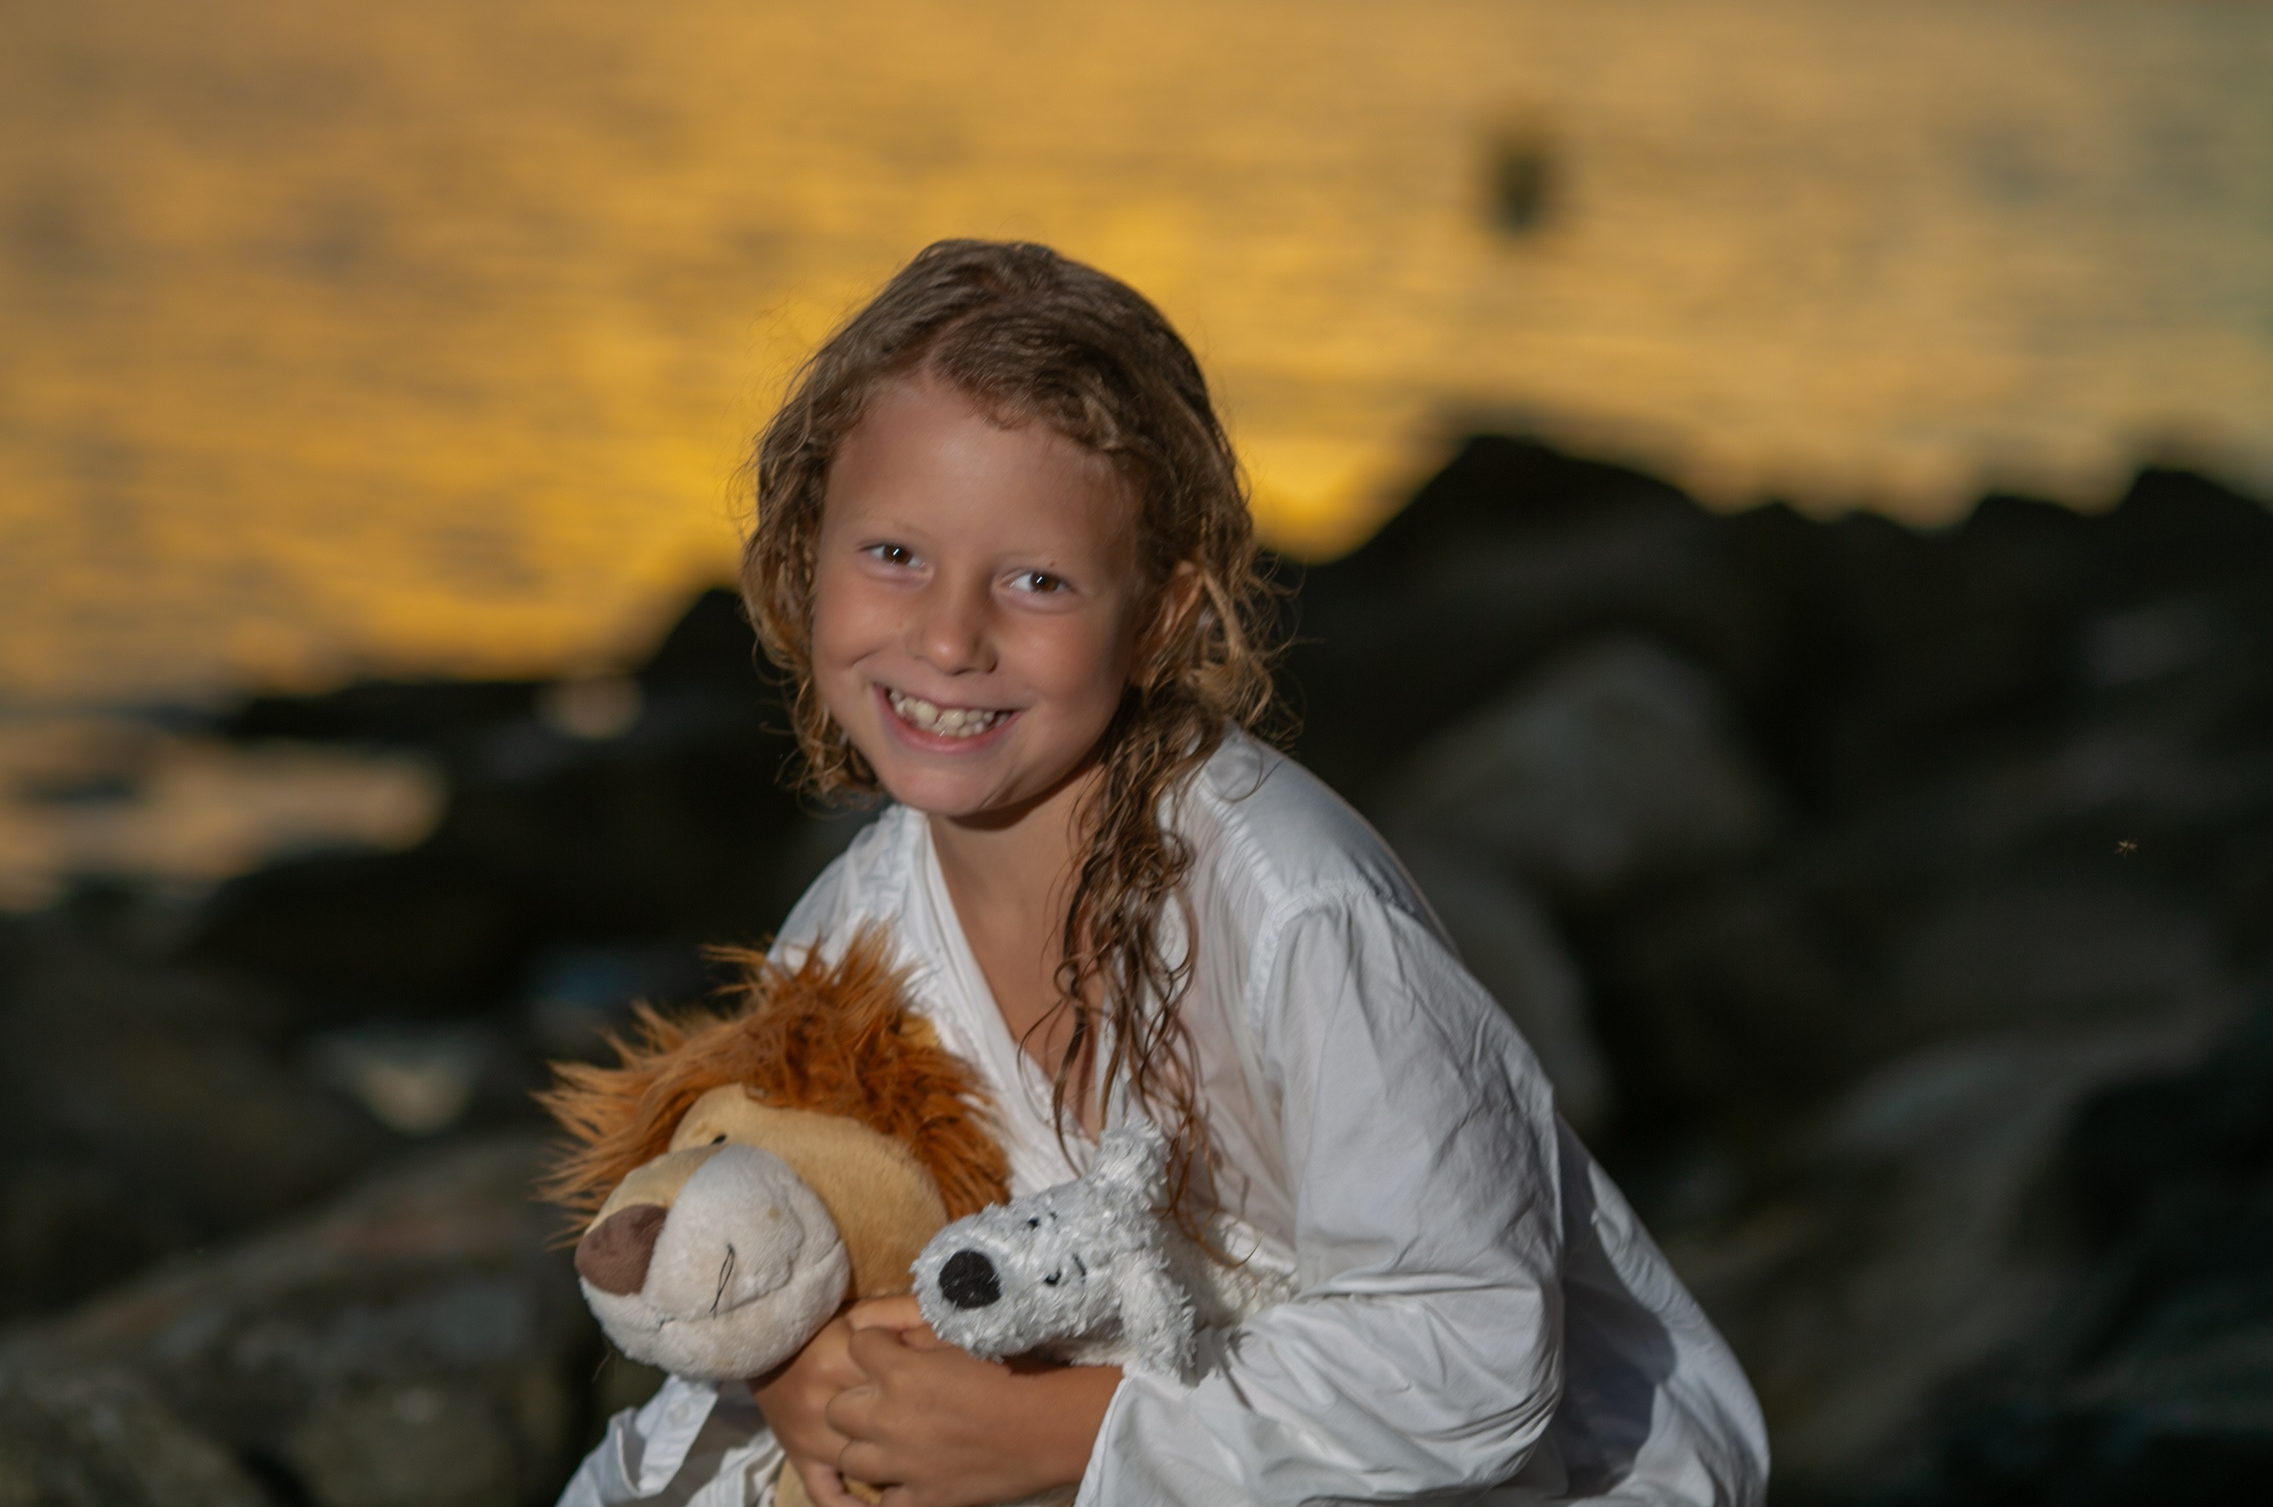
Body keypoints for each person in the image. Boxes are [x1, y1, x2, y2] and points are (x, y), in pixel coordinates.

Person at [559, 240, 1768, 1507]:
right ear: (807, 547)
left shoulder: (1294, 911)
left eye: (1036, 580)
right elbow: (810, 1227)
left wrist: (1068, 1432)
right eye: (893, 555)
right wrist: (797, 1375)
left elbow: (1472, 1346)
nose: (949, 636)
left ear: (1160, 614)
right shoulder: (854, 933)